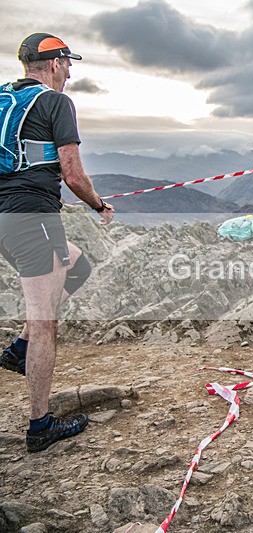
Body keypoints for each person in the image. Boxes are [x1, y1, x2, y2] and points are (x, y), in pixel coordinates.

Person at [0, 33, 115, 453]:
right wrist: (99, 204)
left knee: (77, 266)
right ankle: (40, 426)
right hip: (32, 219)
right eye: (68, 64)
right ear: (53, 63)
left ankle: (19, 348)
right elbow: (73, 174)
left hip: (7, 219)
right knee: (45, 321)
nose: (70, 72)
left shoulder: (3, 100)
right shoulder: (55, 102)